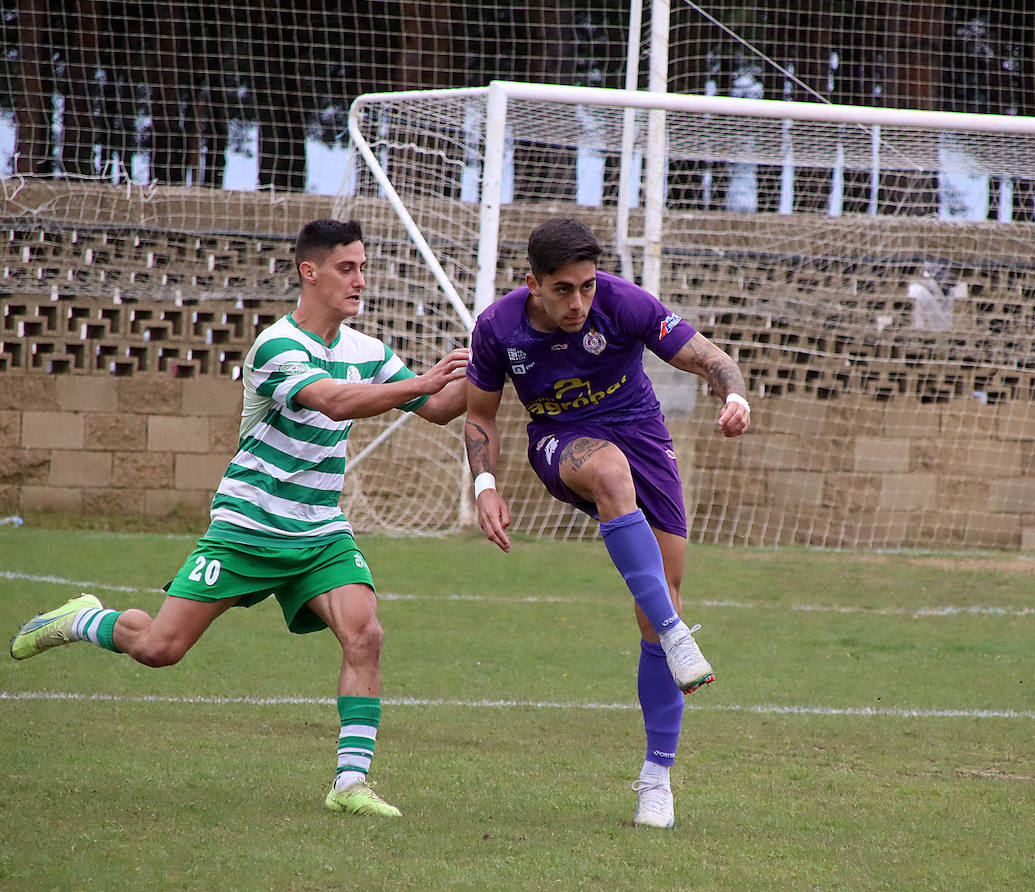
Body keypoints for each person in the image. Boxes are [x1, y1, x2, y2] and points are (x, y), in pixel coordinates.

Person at [9, 218, 470, 818]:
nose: (360, 280)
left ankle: (350, 784)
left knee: (366, 634)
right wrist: (427, 379)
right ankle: (83, 620)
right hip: (248, 526)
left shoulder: (368, 351)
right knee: (158, 648)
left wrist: (505, 365)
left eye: (363, 267)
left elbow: (438, 407)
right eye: (347, 268)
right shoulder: (275, 346)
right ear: (311, 271)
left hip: (319, 530)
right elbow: (332, 399)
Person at [463, 217, 751, 829]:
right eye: (563, 289)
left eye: (587, 287)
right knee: (611, 474)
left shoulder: (625, 303)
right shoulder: (497, 327)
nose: (579, 302)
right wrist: (485, 484)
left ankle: (656, 778)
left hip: (644, 433)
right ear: (532, 283)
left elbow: (708, 357)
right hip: (562, 443)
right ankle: (680, 635)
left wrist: (734, 396)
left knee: (656, 603)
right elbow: (480, 414)